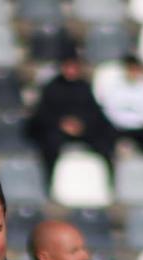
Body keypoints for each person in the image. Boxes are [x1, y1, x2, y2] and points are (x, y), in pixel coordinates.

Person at [28, 51, 117, 180]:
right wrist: (62, 124)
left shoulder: (84, 87)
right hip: (58, 130)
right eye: (68, 67)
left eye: (74, 67)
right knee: (50, 145)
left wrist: (82, 124)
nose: (71, 71)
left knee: (104, 143)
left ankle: (109, 180)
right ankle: (49, 180)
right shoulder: (52, 87)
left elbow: (94, 112)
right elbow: (43, 114)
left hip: (83, 130)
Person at [93, 55, 143, 158]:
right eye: (130, 69)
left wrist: (138, 122)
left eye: (135, 69)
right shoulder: (114, 86)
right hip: (120, 128)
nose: (133, 72)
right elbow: (110, 110)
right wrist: (126, 121)